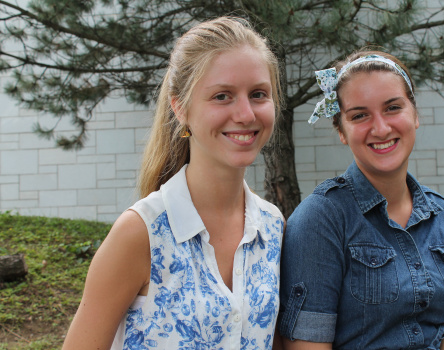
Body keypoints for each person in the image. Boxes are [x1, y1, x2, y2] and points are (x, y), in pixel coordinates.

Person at [62, 16, 285, 350]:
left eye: (258, 94)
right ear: (180, 108)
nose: (246, 114)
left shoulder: (273, 227)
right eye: (222, 96)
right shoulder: (140, 234)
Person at [278, 50, 444, 349]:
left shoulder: (441, 212)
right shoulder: (320, 219)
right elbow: (307, 345)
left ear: (415, 114)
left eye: (393, 108)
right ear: (341, 131)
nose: (381, 128)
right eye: (359, 115)